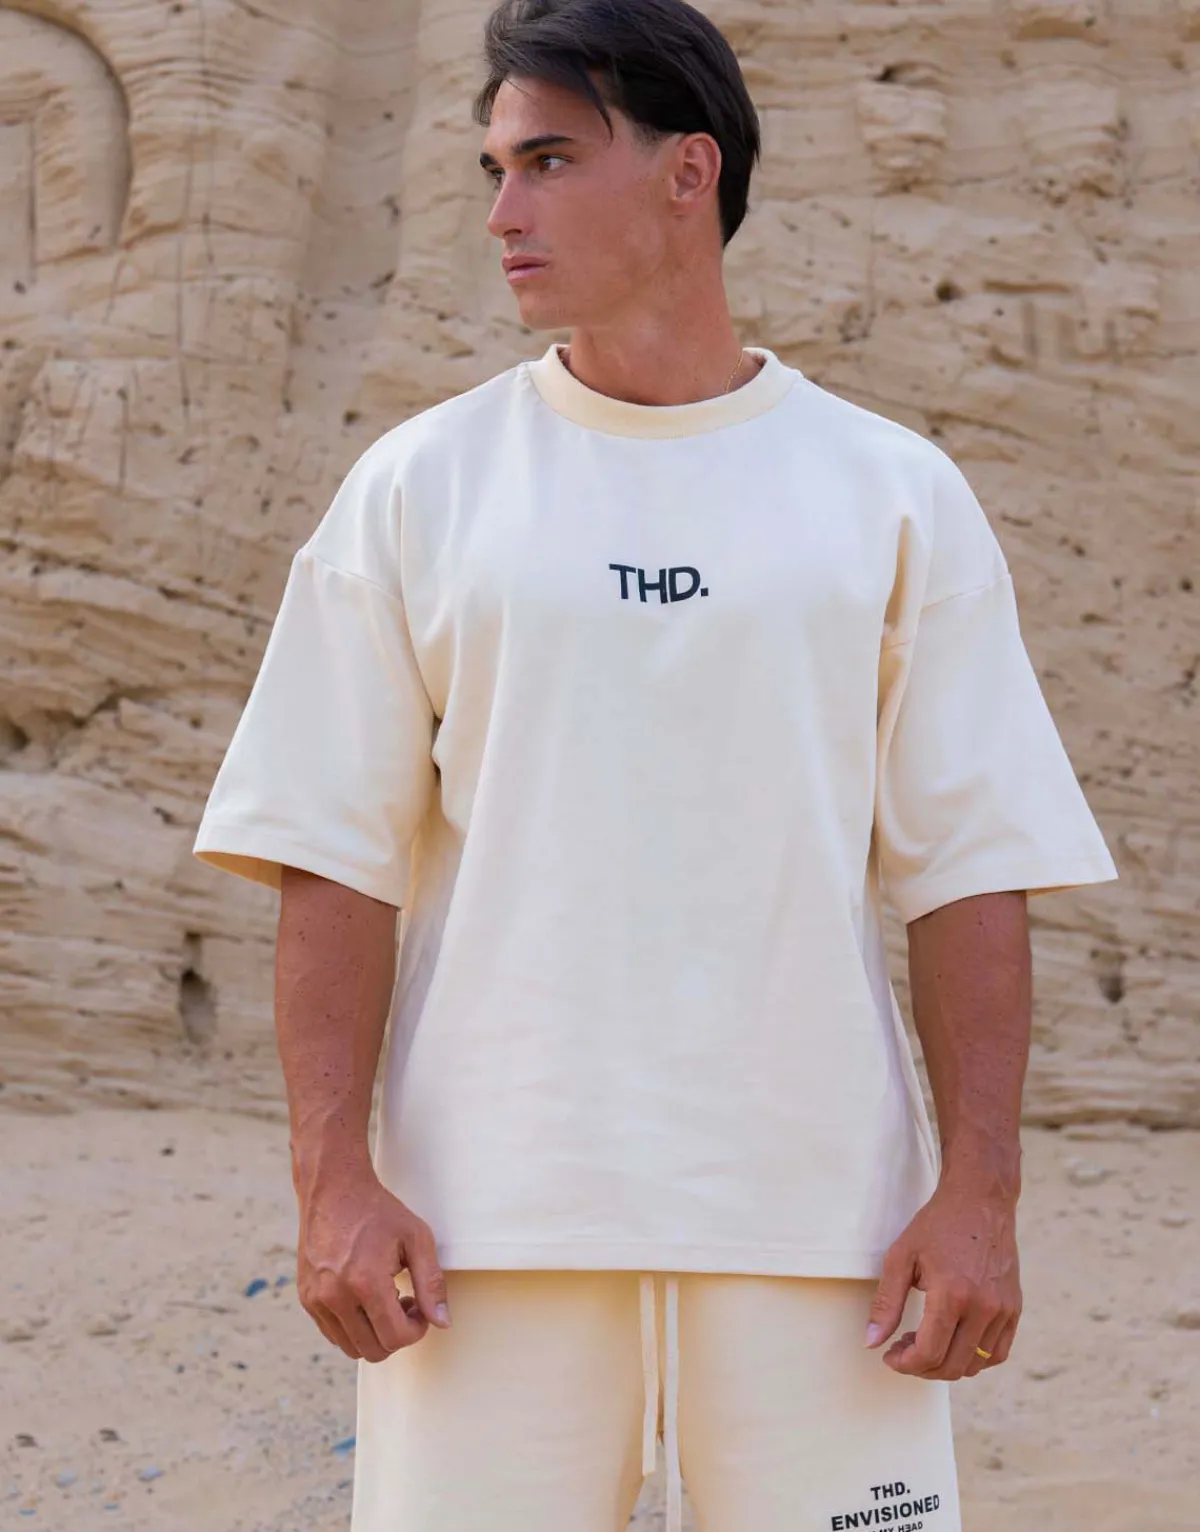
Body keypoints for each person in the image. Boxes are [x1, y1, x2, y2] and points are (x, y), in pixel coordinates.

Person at [193, 2, 1119, 1528]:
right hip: (483, 1235)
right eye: (494, 168)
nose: (504, 211)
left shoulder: (891, 494)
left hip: (828, 1237)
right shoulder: (420, 488)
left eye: (551, 161)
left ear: (691, 172)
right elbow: (331, 856)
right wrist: (331, 1183)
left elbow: (971, 871)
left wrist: (981, 1197)